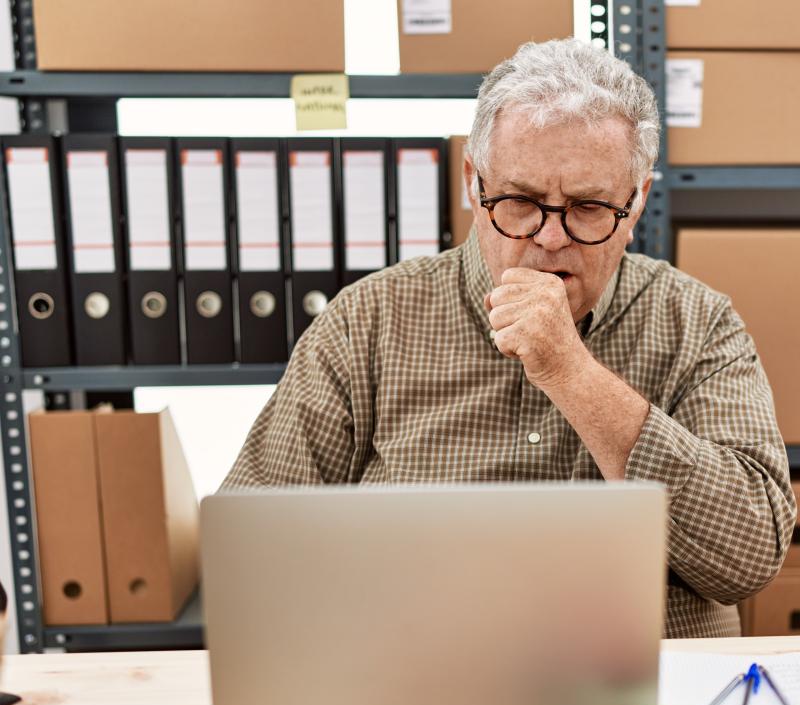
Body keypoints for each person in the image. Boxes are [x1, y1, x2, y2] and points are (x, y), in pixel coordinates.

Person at [222, 38, 796, 638]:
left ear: (637, 200)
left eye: (589, 206)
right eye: (520, 201)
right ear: (474, 182)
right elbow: (250, 548)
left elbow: (749, 558)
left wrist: (572, 373)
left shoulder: (698, 322)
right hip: (420, 684)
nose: (550, 238)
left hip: (644, 697)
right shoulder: (367, 321)